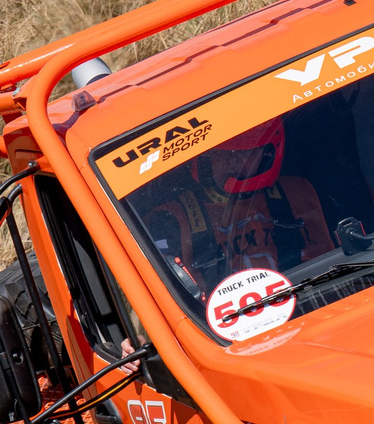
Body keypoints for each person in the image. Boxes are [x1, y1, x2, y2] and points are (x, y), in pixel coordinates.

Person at [136, 121, 334, 297]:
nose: (237, 161)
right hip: (224, 331)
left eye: (247, 152)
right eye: (225, 154)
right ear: (206, 158)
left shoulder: (297, 191)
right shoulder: (168, 219)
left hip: (312, 303)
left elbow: (334, 269)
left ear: (267, 152)